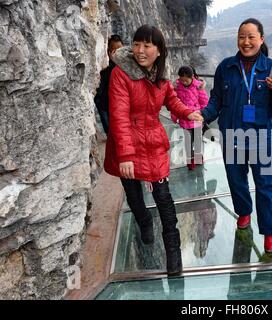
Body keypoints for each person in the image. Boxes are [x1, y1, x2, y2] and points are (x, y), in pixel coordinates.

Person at [104, 25, 203, 275]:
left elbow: (172, 100)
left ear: (158, 50)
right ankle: (144, 221)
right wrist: (125, 155)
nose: (140, 50)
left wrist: (187, 112)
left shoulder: (160, 76)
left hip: (153, 142)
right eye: (136, 44)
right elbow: (118, 116)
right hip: (126, 141)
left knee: (163, 197)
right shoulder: (120, 74)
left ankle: (173, 250)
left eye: (147, 45)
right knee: (133, 193)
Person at [200, 18, 272, 254]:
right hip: (231, 135)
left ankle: (270, 233)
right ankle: (244, 213)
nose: (246, 41)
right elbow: (216, 100)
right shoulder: (226, 67)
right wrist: (203, 115)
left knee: (265, 185)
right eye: (242, 36)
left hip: (261, 137)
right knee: (236, 180)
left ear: (261, 39)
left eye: (251, 36)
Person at [171, 65, 209, 170]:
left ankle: (198, 157)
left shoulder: (198, 86)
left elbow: (204, 102)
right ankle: (190, 160)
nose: (184, 82)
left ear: (192, 77)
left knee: (197, 139)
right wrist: (174, 116)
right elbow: (174, 103)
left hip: (196, 117)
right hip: (184, 118)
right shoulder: (177, 87)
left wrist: (204, 114)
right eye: (182, 80)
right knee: (188, 141)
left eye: (186, 80)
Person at [94, 35, 124, 134]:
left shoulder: (126, 65)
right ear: (109, 51)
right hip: (104, 103)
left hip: (118, 104)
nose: (117, 53)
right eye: (114, 50)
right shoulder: (105, 65)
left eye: (119, 49)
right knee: (110, 132)